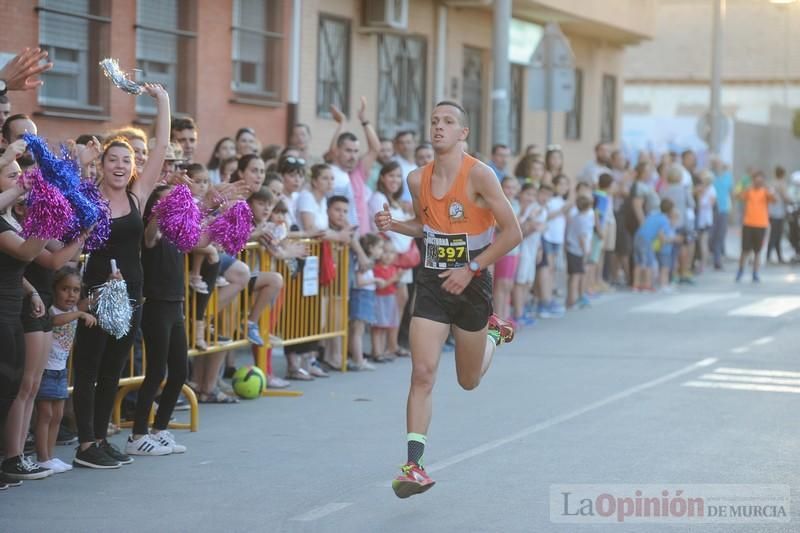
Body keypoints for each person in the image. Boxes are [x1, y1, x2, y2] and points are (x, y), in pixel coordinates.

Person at [374, 100, 521, 498]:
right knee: (422, 373)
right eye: (434, 120)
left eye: (448, 122)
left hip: (472, 285)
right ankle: (414, 465)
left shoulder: (481, 175)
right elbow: (426, 228)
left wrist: (472, 268)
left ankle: (492, 334)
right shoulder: (416, 179)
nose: (438, 127)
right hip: (433, 284)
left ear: (463, 133)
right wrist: (395, 225)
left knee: (468, 380)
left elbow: (512, 233)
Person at [72, 83, 170, 469]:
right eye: (112, 159)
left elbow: (160, 148)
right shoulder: (88, 194)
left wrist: (162, 101)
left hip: (131, 293)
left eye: (125, 161)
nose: (119, 166)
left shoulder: (137, 196)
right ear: (102, 163)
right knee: (89, 367)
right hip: (95, 292)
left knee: (114, 368)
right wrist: (81, 160)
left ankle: (99, 437)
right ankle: (84, 445)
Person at [126, 186, 194, 457]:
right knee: (156, 373)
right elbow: (151, 235)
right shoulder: (152, 231)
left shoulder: (178, 233)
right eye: (165, 201)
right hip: (156, 307)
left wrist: (217, 207)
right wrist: (161, 209)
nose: (172, 204)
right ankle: (137, 435)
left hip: (175, 306)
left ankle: (159, 429)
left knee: (179, 372)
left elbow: (202, 238)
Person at [0, 157, 50, 482]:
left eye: (22, 174)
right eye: (12, 175)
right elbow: (26, 253)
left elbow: (23, 264)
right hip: (2, 313)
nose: (22, 180)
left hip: (12, 310)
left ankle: (9, 459)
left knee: (11, 386)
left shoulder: (9, 218)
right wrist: (50, 220)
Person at [35, 267, 95, 473]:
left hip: (60, 370)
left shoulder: (72, 310)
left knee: (58, 416)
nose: (71, 295)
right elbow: (56, 321)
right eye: (65, 289)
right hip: (45, 370)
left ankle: (50, 456)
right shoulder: (52, 310)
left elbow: (89, 302)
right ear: (54, 290)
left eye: (76, 290)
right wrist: (79, 313)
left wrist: (111, 283)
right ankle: (42, 457)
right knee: (45, 415)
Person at [348, 233, 385, 371]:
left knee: (359, 330)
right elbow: (359, 281)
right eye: (379, 248)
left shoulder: (368, 262)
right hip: (361, 296)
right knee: (357, 330)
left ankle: (358, 358)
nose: (381, 251)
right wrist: (375, 280)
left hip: (366, 295)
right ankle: (358, 360)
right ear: (370, 248)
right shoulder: (361, 262)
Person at [512, 183, 547, 324]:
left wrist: (539, 248)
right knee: (520, 282)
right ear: (520, 194)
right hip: (521, 250)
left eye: (533, 195)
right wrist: (531, 224)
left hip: (532, 251)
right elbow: (519, 231)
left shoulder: (534, 209)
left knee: (528, 281)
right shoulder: (518, 209)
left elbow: (538, 230)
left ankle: (524, 310)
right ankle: (518, 313)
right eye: (527, 194)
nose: (530, 198)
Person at [737, 171, 774, 283]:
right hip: (748, 223)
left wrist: (769, 190)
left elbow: (775, 200)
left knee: (757, 251)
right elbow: (738, 196)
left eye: (760, 179)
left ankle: (755, 273)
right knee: (745, 250)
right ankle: (740, 270)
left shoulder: (766, 192)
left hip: (761, 224)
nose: (758, 182)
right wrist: (745, 188)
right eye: (756, 179)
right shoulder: (749, 190)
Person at [633, 199, 676, 292]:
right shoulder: (664, 220)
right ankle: (647, 285)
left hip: (638, 236)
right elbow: (661, 235)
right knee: (648, 262)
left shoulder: (653, 214)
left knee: (639, 262)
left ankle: (636, 285)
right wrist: (663, 245)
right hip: (647, 239)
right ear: (670, 210)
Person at [565, 194, 595, 308]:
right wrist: (586, 252)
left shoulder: (576, 217)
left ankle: (570, 299)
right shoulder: (583, 220)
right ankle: (572, 300)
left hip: (572, 249)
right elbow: (582, 238)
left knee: (573, 275)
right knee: (576, 276)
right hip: (577, 251)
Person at [710, 157, 734, 270]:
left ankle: (717, 258)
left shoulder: (728, 177)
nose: (718, 166)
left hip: (723, 208)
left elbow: (731, 193)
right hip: (711, 210)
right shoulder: (710, 176)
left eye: (719, 164)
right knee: (712, 235)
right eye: (716, 164)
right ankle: (713, 255)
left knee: (720, 234)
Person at [766, 166, 790, 264]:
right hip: (779, 213)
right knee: (776, 235)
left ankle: (778, 256)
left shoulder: (771, 183)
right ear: (783, 174)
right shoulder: (781, 184)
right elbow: (785, 197)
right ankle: (770, 256)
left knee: (775, 234)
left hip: (771, 212)